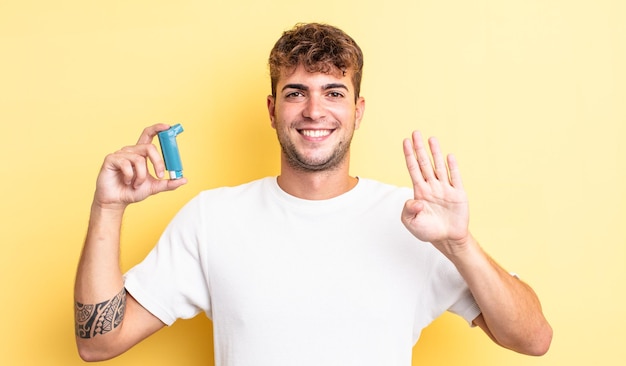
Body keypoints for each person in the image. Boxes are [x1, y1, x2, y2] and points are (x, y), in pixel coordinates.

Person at [74, 22, 552, 364]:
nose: (314, 110)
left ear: (358, 110)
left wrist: (459, 245)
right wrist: (108, 207)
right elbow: (98, 342)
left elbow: (532, 339)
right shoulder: (212, 219)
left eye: (334, 92)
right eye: (296, 92)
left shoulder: (416, 221)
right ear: (272, 107)